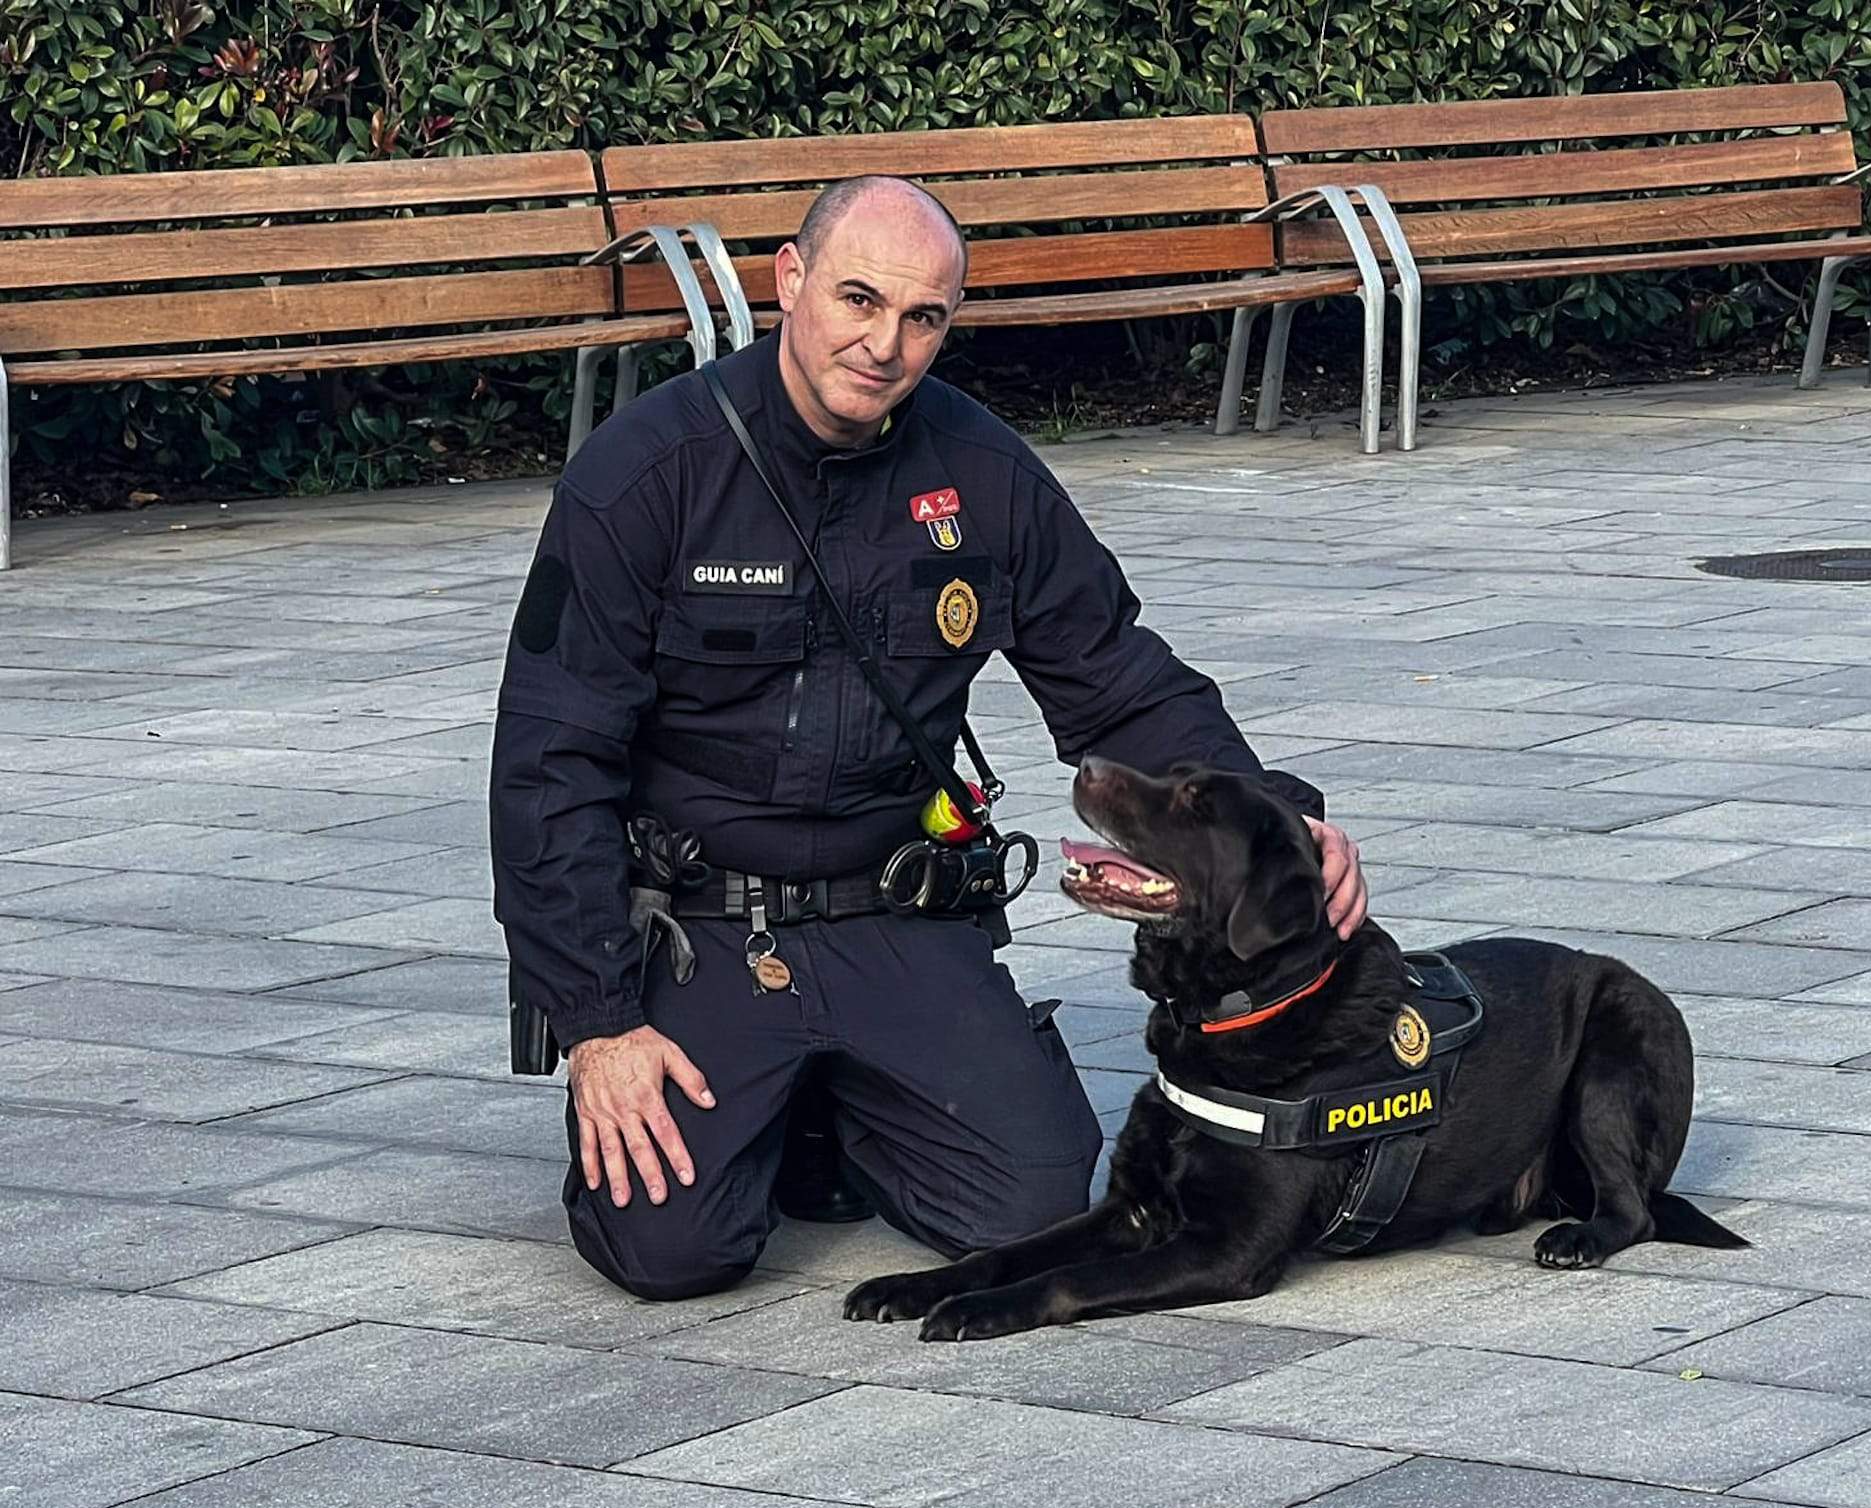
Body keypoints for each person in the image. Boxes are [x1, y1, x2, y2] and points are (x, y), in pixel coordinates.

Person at [490, 175, 1369, 1300]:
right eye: (858, 300)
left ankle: (826, 1099)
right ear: (790, 281)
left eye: (922, 318)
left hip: (886, 905)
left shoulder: (983, 472)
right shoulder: (644, 475)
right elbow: (546, 765)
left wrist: (1279, 819)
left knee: (1036, 1199)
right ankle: (765, 1091)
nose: (884, 345)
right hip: (700, 928)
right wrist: (597, 1022)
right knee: (670, 1251)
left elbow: (1120, 684)